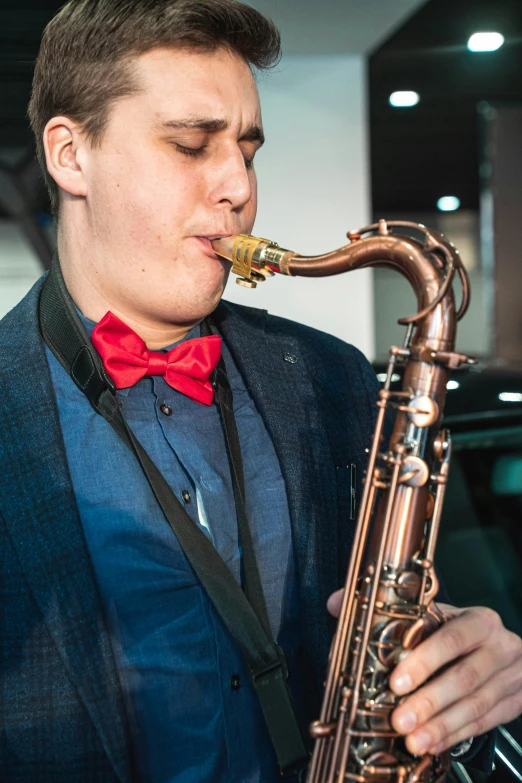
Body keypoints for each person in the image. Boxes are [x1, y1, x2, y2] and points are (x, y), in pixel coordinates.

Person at [0, 1, 520, 781]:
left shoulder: (331, 377)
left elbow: (385, 646)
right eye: (191, 145)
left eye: (247, 148)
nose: (239, 186)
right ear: (71, 155)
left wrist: (455, 700)